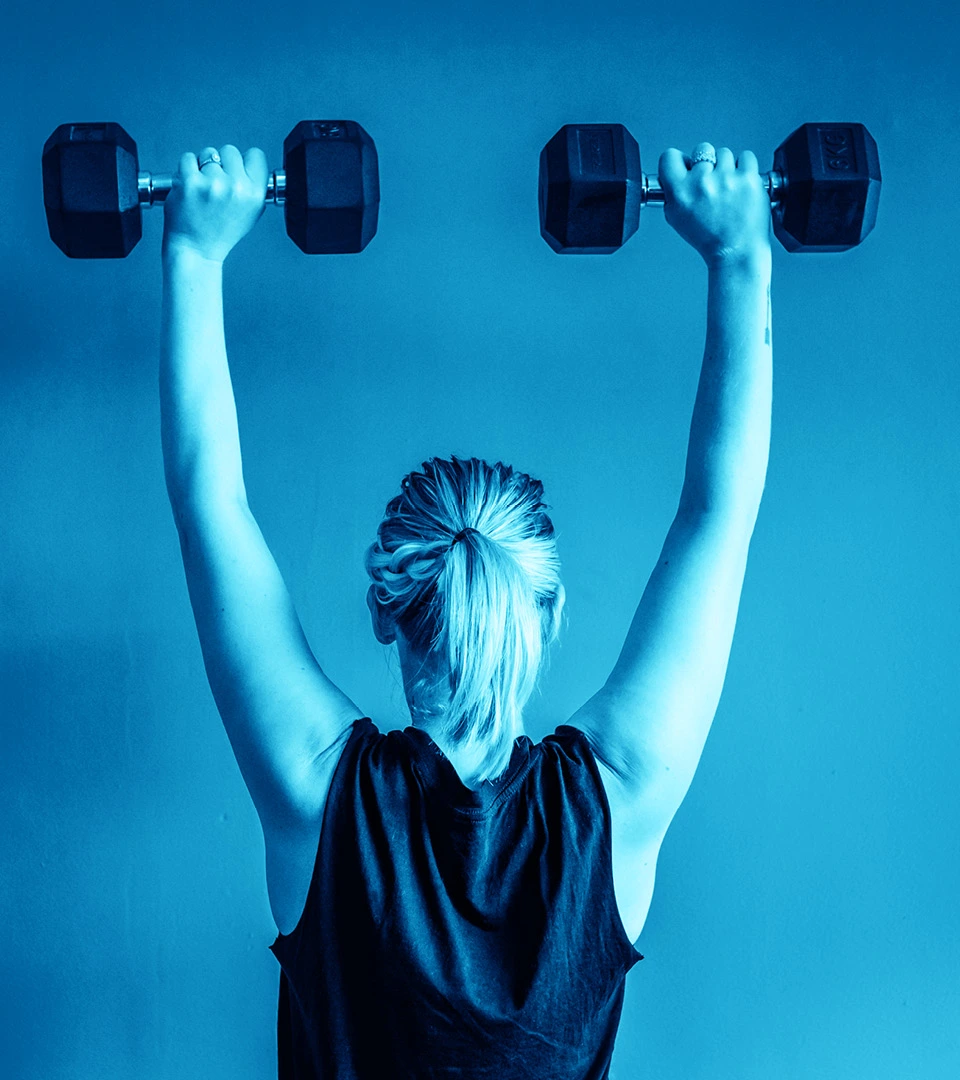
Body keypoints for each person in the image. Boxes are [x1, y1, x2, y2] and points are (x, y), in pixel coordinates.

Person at [160, 135, 771, 1079]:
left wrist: (194, 252)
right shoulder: (619, 794)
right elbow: (717, 516)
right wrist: (740, 253)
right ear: (549, 615)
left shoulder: (314, 787)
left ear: (385, 612)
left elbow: (211, 504)